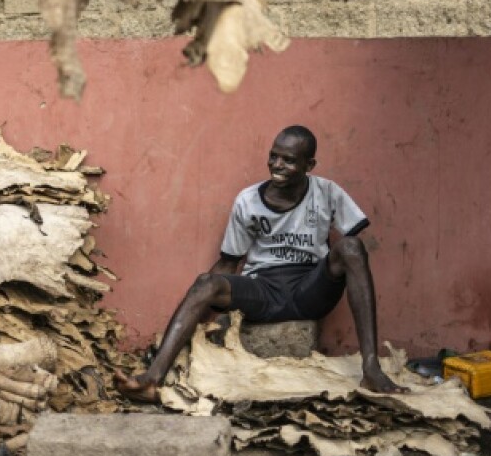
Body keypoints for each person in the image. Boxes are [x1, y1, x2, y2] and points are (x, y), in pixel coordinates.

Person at [115, 125, 405, 401]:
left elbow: (351, 251)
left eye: (289, 160)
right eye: (273, 156)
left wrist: (337, 258)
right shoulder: (248, 200)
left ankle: (371, 368)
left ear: (309, 165)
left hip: (310, 289)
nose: (277, 164)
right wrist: (200, 308)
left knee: (352, 247)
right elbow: (229, 263)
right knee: (206, 282)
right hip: (263, 289)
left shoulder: (327, 192)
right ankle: (152, 380)